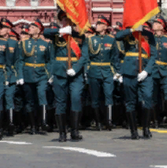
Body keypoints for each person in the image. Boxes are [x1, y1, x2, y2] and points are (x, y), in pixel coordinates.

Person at [42, 11, 88, 142]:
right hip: (60, 72)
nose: (65, 22)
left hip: (75, 73)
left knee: (76, 98)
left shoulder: (79, 36)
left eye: (68, 20)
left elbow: (85, 56)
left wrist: (76, 68)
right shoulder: (57, 34)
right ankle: (62, 133)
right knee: (60, 102)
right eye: (63, 20)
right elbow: (45, 33)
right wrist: (60, 31)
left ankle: (75, 130)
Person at [115, 20, 157, 140]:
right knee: (130, 101)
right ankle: (133, 130)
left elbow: (153, 55)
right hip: (129, 70)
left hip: (145, 71)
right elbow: (117, 36)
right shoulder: (128, 34)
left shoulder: (148, 35)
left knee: (148, 97)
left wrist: (147, 70)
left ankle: (146, 127)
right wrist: (132, 30)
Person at [85, 16, 119, 131]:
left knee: (108, 95)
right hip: (94, 71)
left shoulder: (111, 39)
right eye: (97, 24)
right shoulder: (90, 39)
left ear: (105, 26)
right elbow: (87, 57)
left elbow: (115, 57)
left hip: (107, 71)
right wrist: (86, 70)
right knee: (95, 98)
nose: (97, 25)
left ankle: (108, 121)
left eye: (99, 24)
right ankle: (98, 121)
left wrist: (117, 72)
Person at [19, 19, 52, 135]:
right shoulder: (23, 43)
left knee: (42, 96)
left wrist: (49, 74)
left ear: (39, 30)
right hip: (28, 74)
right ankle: (33, 125)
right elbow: (20, 60)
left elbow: (49, 60)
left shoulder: (46, 44)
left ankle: (43, 122)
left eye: (33, 27)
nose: (30, 29)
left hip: (41, 74)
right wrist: (20, 75)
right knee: (30, 101)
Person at [0, 18, 22, 136]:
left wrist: (19, 75)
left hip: (10, 75)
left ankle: (11, 124)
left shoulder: (13, 43)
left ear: (8, 30)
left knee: (9, 99)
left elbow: (17, 61)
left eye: (2, 28)